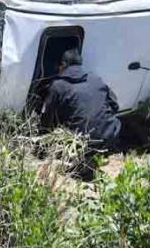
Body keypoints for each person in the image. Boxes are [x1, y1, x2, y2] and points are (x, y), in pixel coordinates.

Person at [41, 49, 122, 177]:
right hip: (108, 132)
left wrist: (45, 136)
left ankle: (83, 162)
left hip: (80, 138)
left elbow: (47, 117)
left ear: (63, 65)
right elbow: (115, 105)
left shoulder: (58, 85)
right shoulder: (96, 79)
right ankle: (96, 155)